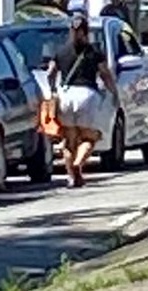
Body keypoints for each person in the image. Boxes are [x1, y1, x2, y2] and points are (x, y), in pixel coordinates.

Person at [47, 15, 117, 187]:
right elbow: (105, 74)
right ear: (87, 32)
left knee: (69, 141)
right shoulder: (94, 52)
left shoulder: (61, 51)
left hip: (66, 96)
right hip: (87, 96)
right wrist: (113, 92)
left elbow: (50, 73)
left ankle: (72, 177)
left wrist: (53, 91)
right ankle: (78, 164)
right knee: (90, 137)